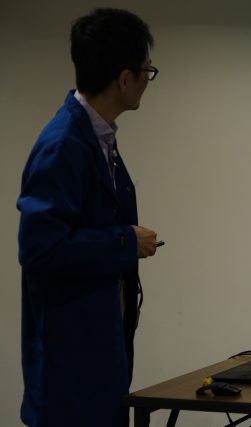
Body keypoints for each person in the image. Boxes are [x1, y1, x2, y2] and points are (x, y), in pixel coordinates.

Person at [17, 8, 159, 427]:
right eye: (148, 71)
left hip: (98, 351)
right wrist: (126, 241)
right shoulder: (64, 144)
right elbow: (41, 251)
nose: (148, 80)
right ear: (125, 79)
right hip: (71, 372)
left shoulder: (97, 137)